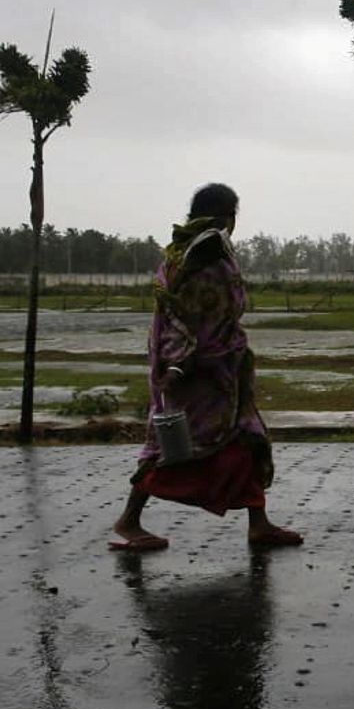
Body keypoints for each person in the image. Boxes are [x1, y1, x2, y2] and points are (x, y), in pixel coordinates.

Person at [110, 183, 302, 551]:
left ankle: (259, 523)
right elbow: (181, 316)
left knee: (247, 437)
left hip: (223, 373)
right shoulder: (197, 256)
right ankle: (129, 520)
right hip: (196, 373)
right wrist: (179, 364)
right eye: (233, 214)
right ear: (225, 214)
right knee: (173, 448)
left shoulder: (194, 252)